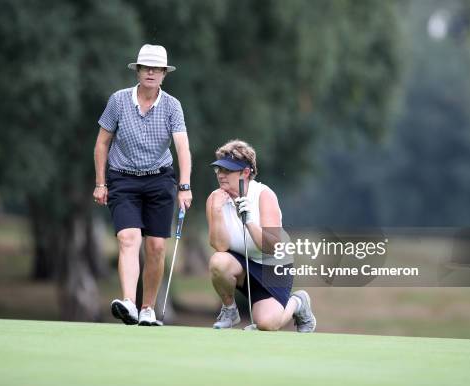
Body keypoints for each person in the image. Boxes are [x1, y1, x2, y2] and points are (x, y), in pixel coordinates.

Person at [93, 44, 192, 326]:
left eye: (156, 68)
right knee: (128, 238)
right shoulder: (118, 101)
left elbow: (182, 147)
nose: (150, 72)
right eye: (146, 67)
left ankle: (147, 307)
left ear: (164, 74)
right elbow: (102, 143)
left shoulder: (172, 106)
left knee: (157, 247)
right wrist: (101, 183)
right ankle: (128, 302)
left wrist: (184, 186)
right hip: (122, 178)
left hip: (160, 179)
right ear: (137, 71)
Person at [206, 139, 316, 332]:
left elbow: (270, 246)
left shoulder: (264, 195)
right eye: (219, 170)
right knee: (218, 261)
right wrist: (216, 212)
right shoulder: (215, 199)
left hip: (273, 266)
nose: (221, 175)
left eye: (228, 170)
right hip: (241, 262)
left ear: (246, 173)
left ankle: (298, 302)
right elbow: (220, 247)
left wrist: (249, 221)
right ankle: (230, 310)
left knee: (267, 324)